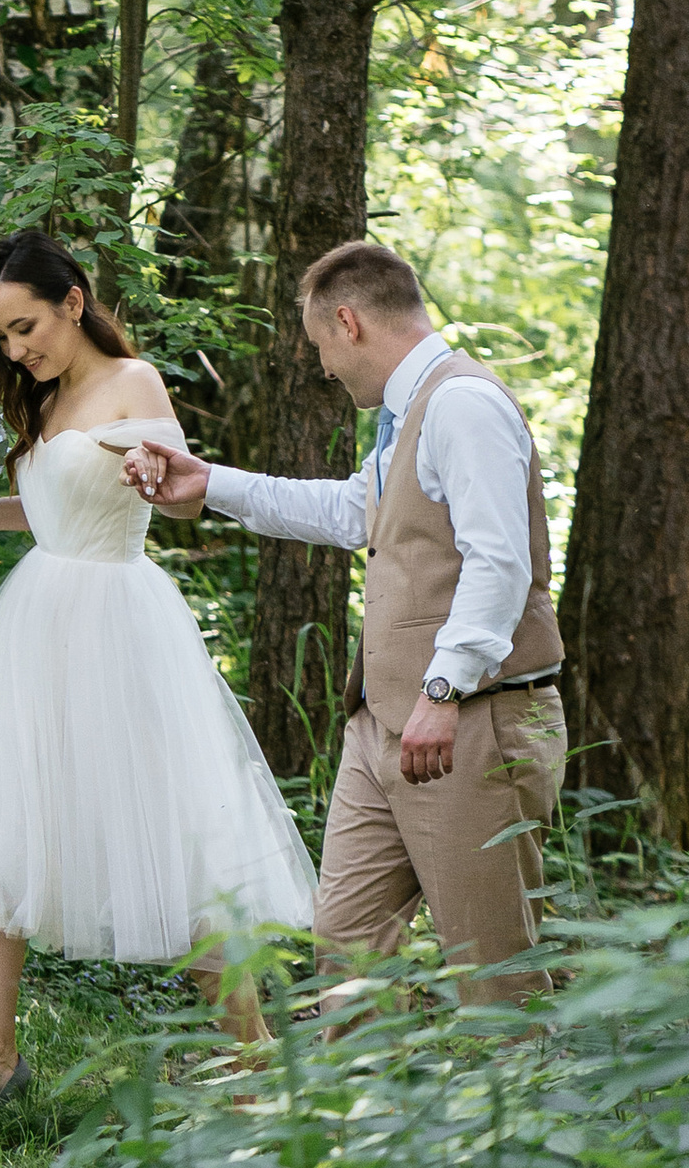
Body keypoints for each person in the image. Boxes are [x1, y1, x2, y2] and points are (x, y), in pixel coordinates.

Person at [0, 229, 318, 1126]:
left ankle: (253, 1068)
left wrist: (145, 463)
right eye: (2, 339)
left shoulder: (129, 384)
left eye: (26, 327)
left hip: (117, 629)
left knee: (175, 838)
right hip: (35, 629)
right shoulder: (44, 400)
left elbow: (156, 464)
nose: (19, 350)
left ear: (74, 300)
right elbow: (58, 501)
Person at [127, 239, 565, 1008]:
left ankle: (524, 1121)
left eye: (320, 345)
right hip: (384, 728)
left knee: (494, 971)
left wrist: (444, 689)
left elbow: (500, 563)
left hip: (469, 722)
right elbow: (349, 511)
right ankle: (356, 1124)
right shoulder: (406, 416)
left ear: (348, 321)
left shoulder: (462, 404)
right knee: (346, 950)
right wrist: (213, 483)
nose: (323, 366)